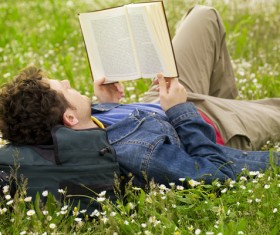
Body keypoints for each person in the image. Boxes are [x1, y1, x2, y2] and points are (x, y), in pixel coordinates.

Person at [0, 5, 280, 186]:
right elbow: (215, 172)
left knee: (204, 16)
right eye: (65, 88)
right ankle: (235, 115)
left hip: (161, 98)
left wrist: (110, 106)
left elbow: (107, 126)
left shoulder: (77, 127)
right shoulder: (138, 155)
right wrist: (180, 111)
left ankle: (233, 105)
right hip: (206, 122)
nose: (66, 80)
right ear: (70, 118)